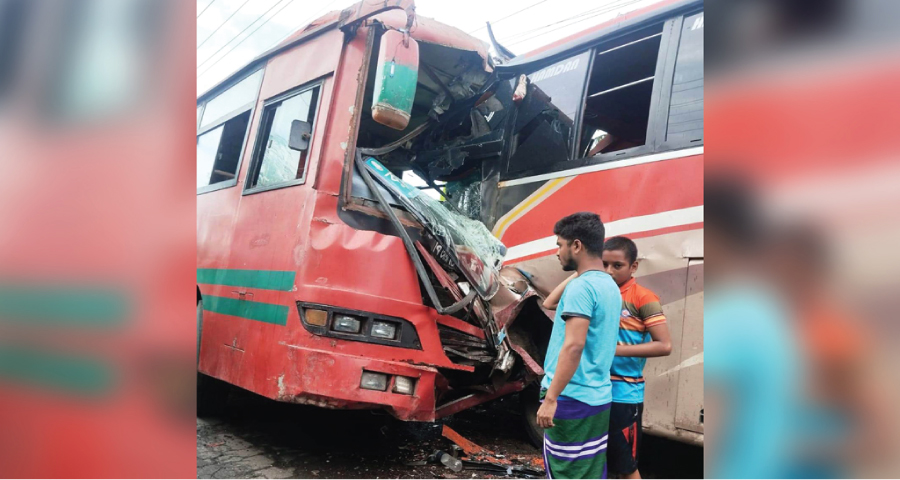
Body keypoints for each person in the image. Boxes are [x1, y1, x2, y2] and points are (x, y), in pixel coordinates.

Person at [538, 212, 622, 479]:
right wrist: (581, 271)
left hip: (570, 397)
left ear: (576, 245)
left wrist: (551, 398)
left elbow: (574, 346)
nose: (557, 252)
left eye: (560, 245)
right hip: (597, 398)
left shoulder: (582, 288)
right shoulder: (608, 284)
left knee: (567, 473)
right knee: (588, 471)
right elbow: (549, 303)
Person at [600, 236, 672, 479]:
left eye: (617, 265)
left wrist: (612, 350)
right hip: (594, 391)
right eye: (604, 264)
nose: (609, 271)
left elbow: (664, 345)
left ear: (634, 266)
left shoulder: (644, 297)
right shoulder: (598, 293)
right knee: (599, 463)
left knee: (626, 468)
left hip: (624, 394)